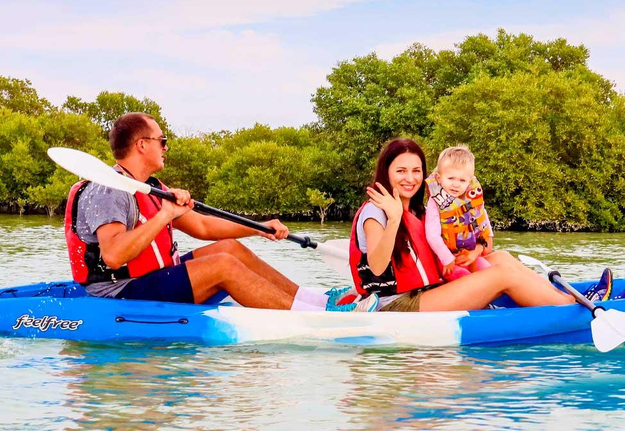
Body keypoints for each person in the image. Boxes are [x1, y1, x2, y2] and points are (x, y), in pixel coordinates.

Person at [64, 112, 377, 312]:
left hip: (151, 277)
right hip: (117, 293)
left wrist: (258, 228)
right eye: (163, 141)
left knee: (228, 249)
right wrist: (164, 216)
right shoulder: (109, 189)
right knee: (222, 266)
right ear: (142, 145)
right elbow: (114, 256)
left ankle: (322, 303)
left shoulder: (152, 186)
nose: (166, 147)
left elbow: (202, 227)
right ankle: (315, 318)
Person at [345, 137, 612, 312]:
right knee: (502, 276)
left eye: (416, 171)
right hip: (397, 305)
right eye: (400, 171)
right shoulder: (376, 212)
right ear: (386, 172)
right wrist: (393, 219)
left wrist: (476, 250)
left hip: (430, 289)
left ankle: (562, 298)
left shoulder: (421, 209)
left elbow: (477, 243)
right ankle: (572, 308)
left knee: (502, 259)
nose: (410, 179)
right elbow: (378, 267)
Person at [424, 145, 492, 282]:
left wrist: (475, 252)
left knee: (489, 272)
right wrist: (447, 258)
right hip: (445, 259)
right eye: (451, 178)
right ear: (439, 177)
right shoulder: (434, 203)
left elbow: (484, 223)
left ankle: (489, 298)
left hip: (470, 254)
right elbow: (432, 236)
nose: (456, 184)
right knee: (464, 278)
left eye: (462, 180)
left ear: (470, 181)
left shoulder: (472, 198)